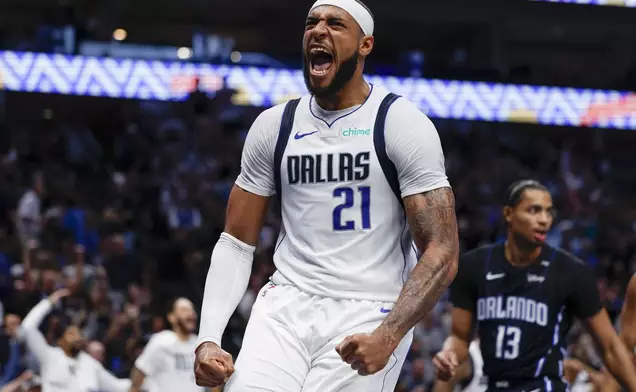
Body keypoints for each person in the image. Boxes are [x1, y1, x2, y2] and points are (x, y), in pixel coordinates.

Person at [193, 0, 459, 391]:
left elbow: (442, 250)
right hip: (285, 304)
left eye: (335, 24)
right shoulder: (275, 125)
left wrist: (390, 334)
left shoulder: (400, 123)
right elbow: (235, 241)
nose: (319, 31)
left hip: (370, 309)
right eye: (311, 23)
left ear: (365, 44)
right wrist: (208, 337)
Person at [432, 179, 636, 391]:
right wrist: (449, 355)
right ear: (509, 214)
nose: (544, 220)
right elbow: (458, 338)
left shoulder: (572, 272)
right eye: (534, 210)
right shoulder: (474, 266)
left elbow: (611, 347)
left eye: (548, 213)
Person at [20, 288, 129, 392]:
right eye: (71, 334)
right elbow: (28, 328)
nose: (77, 338)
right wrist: (48, 303)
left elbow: (118, 386)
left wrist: (143, 378)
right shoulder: (49, 356)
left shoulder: (91, 365)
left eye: (78, 334)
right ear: (60, 341)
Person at [128, 298, 205, 392]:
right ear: (171, 317)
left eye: (192, 310)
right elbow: (140, 371)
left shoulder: (200, 343)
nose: (191, 313)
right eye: (184, 310)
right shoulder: (161, 340)